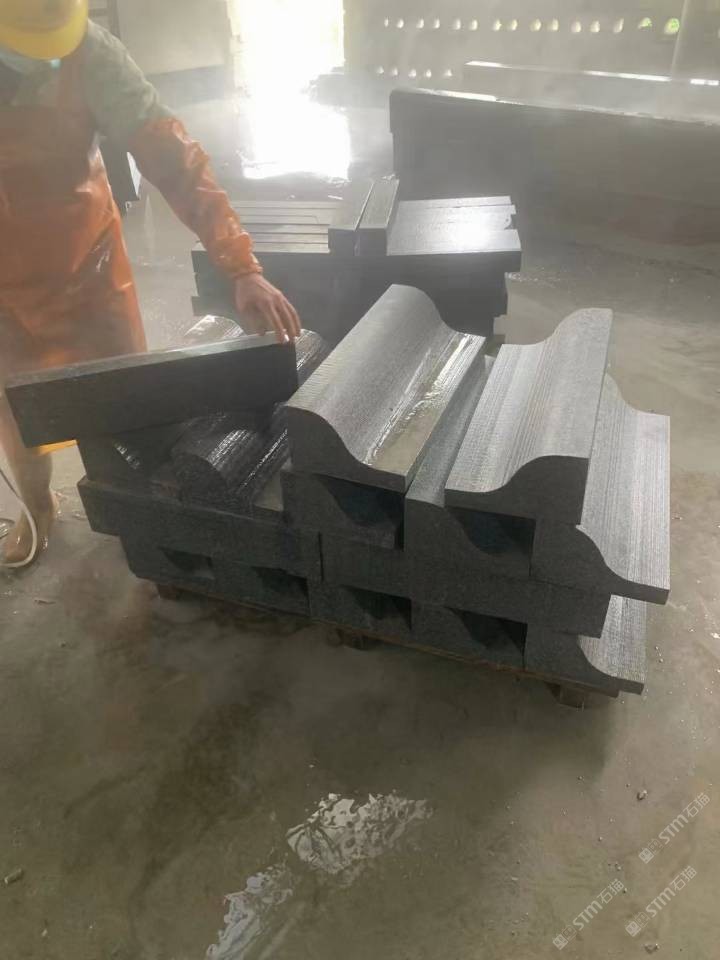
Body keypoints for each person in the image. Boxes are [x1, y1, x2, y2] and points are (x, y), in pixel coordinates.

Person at [0, 0, 301, 566]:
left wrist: (241, 266)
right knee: (17, 405)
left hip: (84, 260)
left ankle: (143, 513)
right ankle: (38, 503)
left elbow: (176, 160)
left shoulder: (93, 55)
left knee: (122, 396)